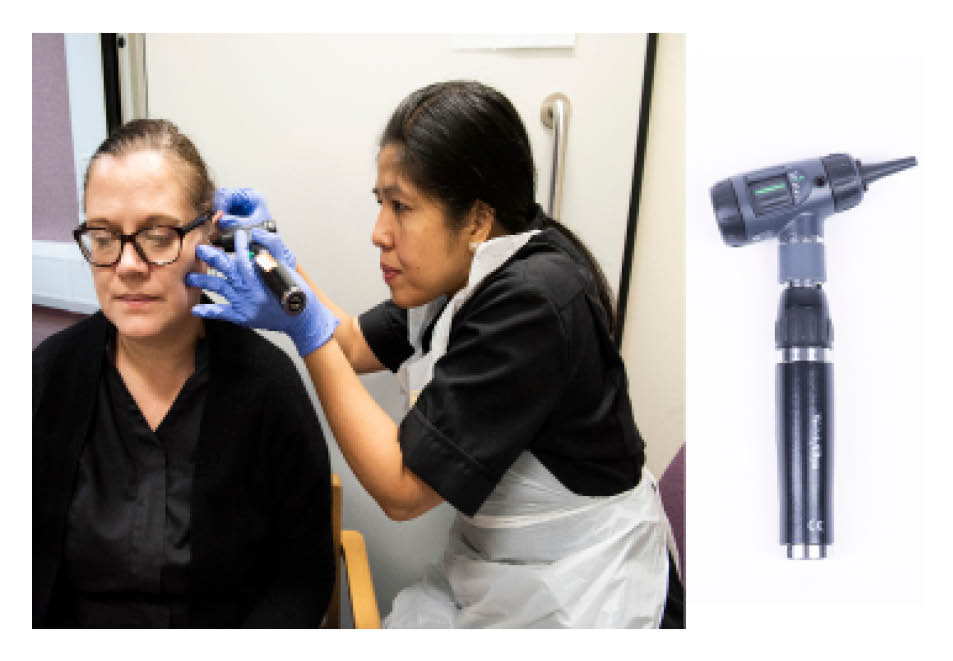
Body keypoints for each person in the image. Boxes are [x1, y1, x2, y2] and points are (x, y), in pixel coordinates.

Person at [190, 81, 684, 628]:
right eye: (381, 203)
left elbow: (402, 488)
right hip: (506, 573)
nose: (379, 233)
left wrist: (303, 331)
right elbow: (351, 343)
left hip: (584, 589)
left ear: (475, 218)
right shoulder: (466, 270)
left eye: (401, 207)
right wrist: (271, 252)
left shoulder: (532, 304)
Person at [32, 119, 335, 628]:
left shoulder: (267, 388)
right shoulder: (47, 378)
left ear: (209, 234)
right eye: (103, 237)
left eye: (157, 234)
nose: (127, 265)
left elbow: (303, 578)